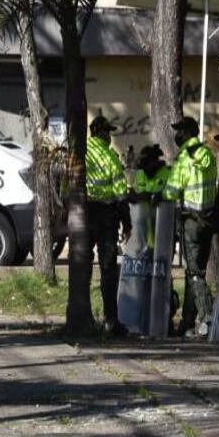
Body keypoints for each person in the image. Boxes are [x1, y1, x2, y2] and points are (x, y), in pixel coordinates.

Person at [164, 116, 218, 337]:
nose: (177, 135)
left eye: (180, 131)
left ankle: (207, 317)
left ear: (188, 133)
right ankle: (187, 323)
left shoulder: (185, 158)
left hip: (191, 222)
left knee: (194, 273)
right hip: (208, 220)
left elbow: (171, 191)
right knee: (194, 272)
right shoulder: (208, 154)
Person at [86, 115, 131, 336]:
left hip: (83, 216)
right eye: (108, 132)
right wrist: (127, 223)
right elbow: (121, 194)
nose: (110, 136)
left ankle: (84, 315)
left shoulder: (80, 153)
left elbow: (66, 186)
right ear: (102, 133)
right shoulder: (109, 156)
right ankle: (110, 320)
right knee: (108, 270)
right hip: (105, 218)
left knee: (83, 266)